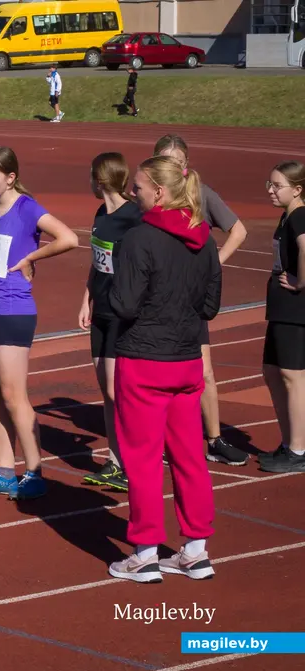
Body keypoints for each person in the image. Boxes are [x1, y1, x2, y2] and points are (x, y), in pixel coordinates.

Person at [107, 155, 222, 584]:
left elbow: (125, 303)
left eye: (137, 187)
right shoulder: (204, 238)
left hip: (144, 362)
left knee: (142, 460)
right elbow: (210, 305)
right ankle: (195, 550)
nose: (132, 193)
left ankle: (144, 552)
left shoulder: (139, 239)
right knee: (190, 457)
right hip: (187, 361)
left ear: (158, 191)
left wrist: (110, 289)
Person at [0, 146, 78, 500]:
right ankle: (3, 471)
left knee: (14, 395)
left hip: (13, 310)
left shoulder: (27, 208)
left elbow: (69, 239)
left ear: (10, 178)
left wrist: (31, 256)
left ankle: (34, 470)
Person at [153, 134, 249, 466]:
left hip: (191, 301)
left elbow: (238, 230)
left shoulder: (202, 195)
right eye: (166, 162)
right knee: (161, 371)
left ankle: (214, 439)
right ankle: (165, 440)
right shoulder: (150, 199)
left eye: (178, 162)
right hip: (158, 300)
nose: (173, 168)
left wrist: (214, 263)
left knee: (203, 372)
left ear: (186, 165)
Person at [78, 153, 141, 492]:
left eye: (91, 176)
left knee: (120, 391)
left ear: (100, 180)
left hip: (121, 312)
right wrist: (86, 298)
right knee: (107, 390)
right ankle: (114, 461)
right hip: (100, 309)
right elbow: (97, 261)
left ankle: (132, 461)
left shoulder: (134, 217)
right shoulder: (101, 213)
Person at [259, 161, 305, 473]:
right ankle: (289, 443)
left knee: (293, 376)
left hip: (294, 308)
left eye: (278, 186)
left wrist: (301, 281)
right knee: (272, 371)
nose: (272, 191)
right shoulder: (287, 215)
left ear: (298, 189)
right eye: (270, 185)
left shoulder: (299, 215)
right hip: (280, 307)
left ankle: (299, 451)